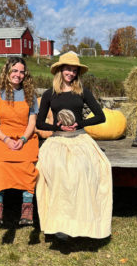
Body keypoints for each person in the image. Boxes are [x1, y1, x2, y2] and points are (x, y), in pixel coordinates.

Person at [35, 51, 112, 240]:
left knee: (85, 171)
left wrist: (80, 124)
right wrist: (55, 126)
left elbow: (100, 116)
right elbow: (39, 123)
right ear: (60, 70)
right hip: (58, 139)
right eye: (67, 69)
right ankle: (60, 224)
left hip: (79, 138)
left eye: (74, 70)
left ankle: (83, 223)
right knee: (57, 171)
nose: (70, 73)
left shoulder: (83, 92)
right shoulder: (49, 94)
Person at [0, 57, 39, 226]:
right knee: (0, 164)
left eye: (21, 72)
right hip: (3, 137)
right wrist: (6, 139)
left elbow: (32, 122)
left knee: (27, 164)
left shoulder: (30, 95)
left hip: (26, 136)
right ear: (7, 72)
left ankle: (27, 208)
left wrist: (23, 139)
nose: (18, 75)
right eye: (14, 71)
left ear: (25, 74)